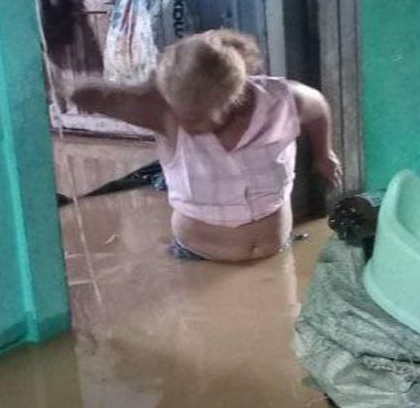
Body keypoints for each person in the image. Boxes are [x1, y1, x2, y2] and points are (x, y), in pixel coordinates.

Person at [71, 29, 341, 262]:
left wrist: (323, 153)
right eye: (181, 112)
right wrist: (144, 86)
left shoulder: (283, 101)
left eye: (197, 117)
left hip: (276, 252)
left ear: (233, 96)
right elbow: (86, 94)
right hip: (196, 260)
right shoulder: (161, 112)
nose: (187, 124)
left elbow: (318, 107)